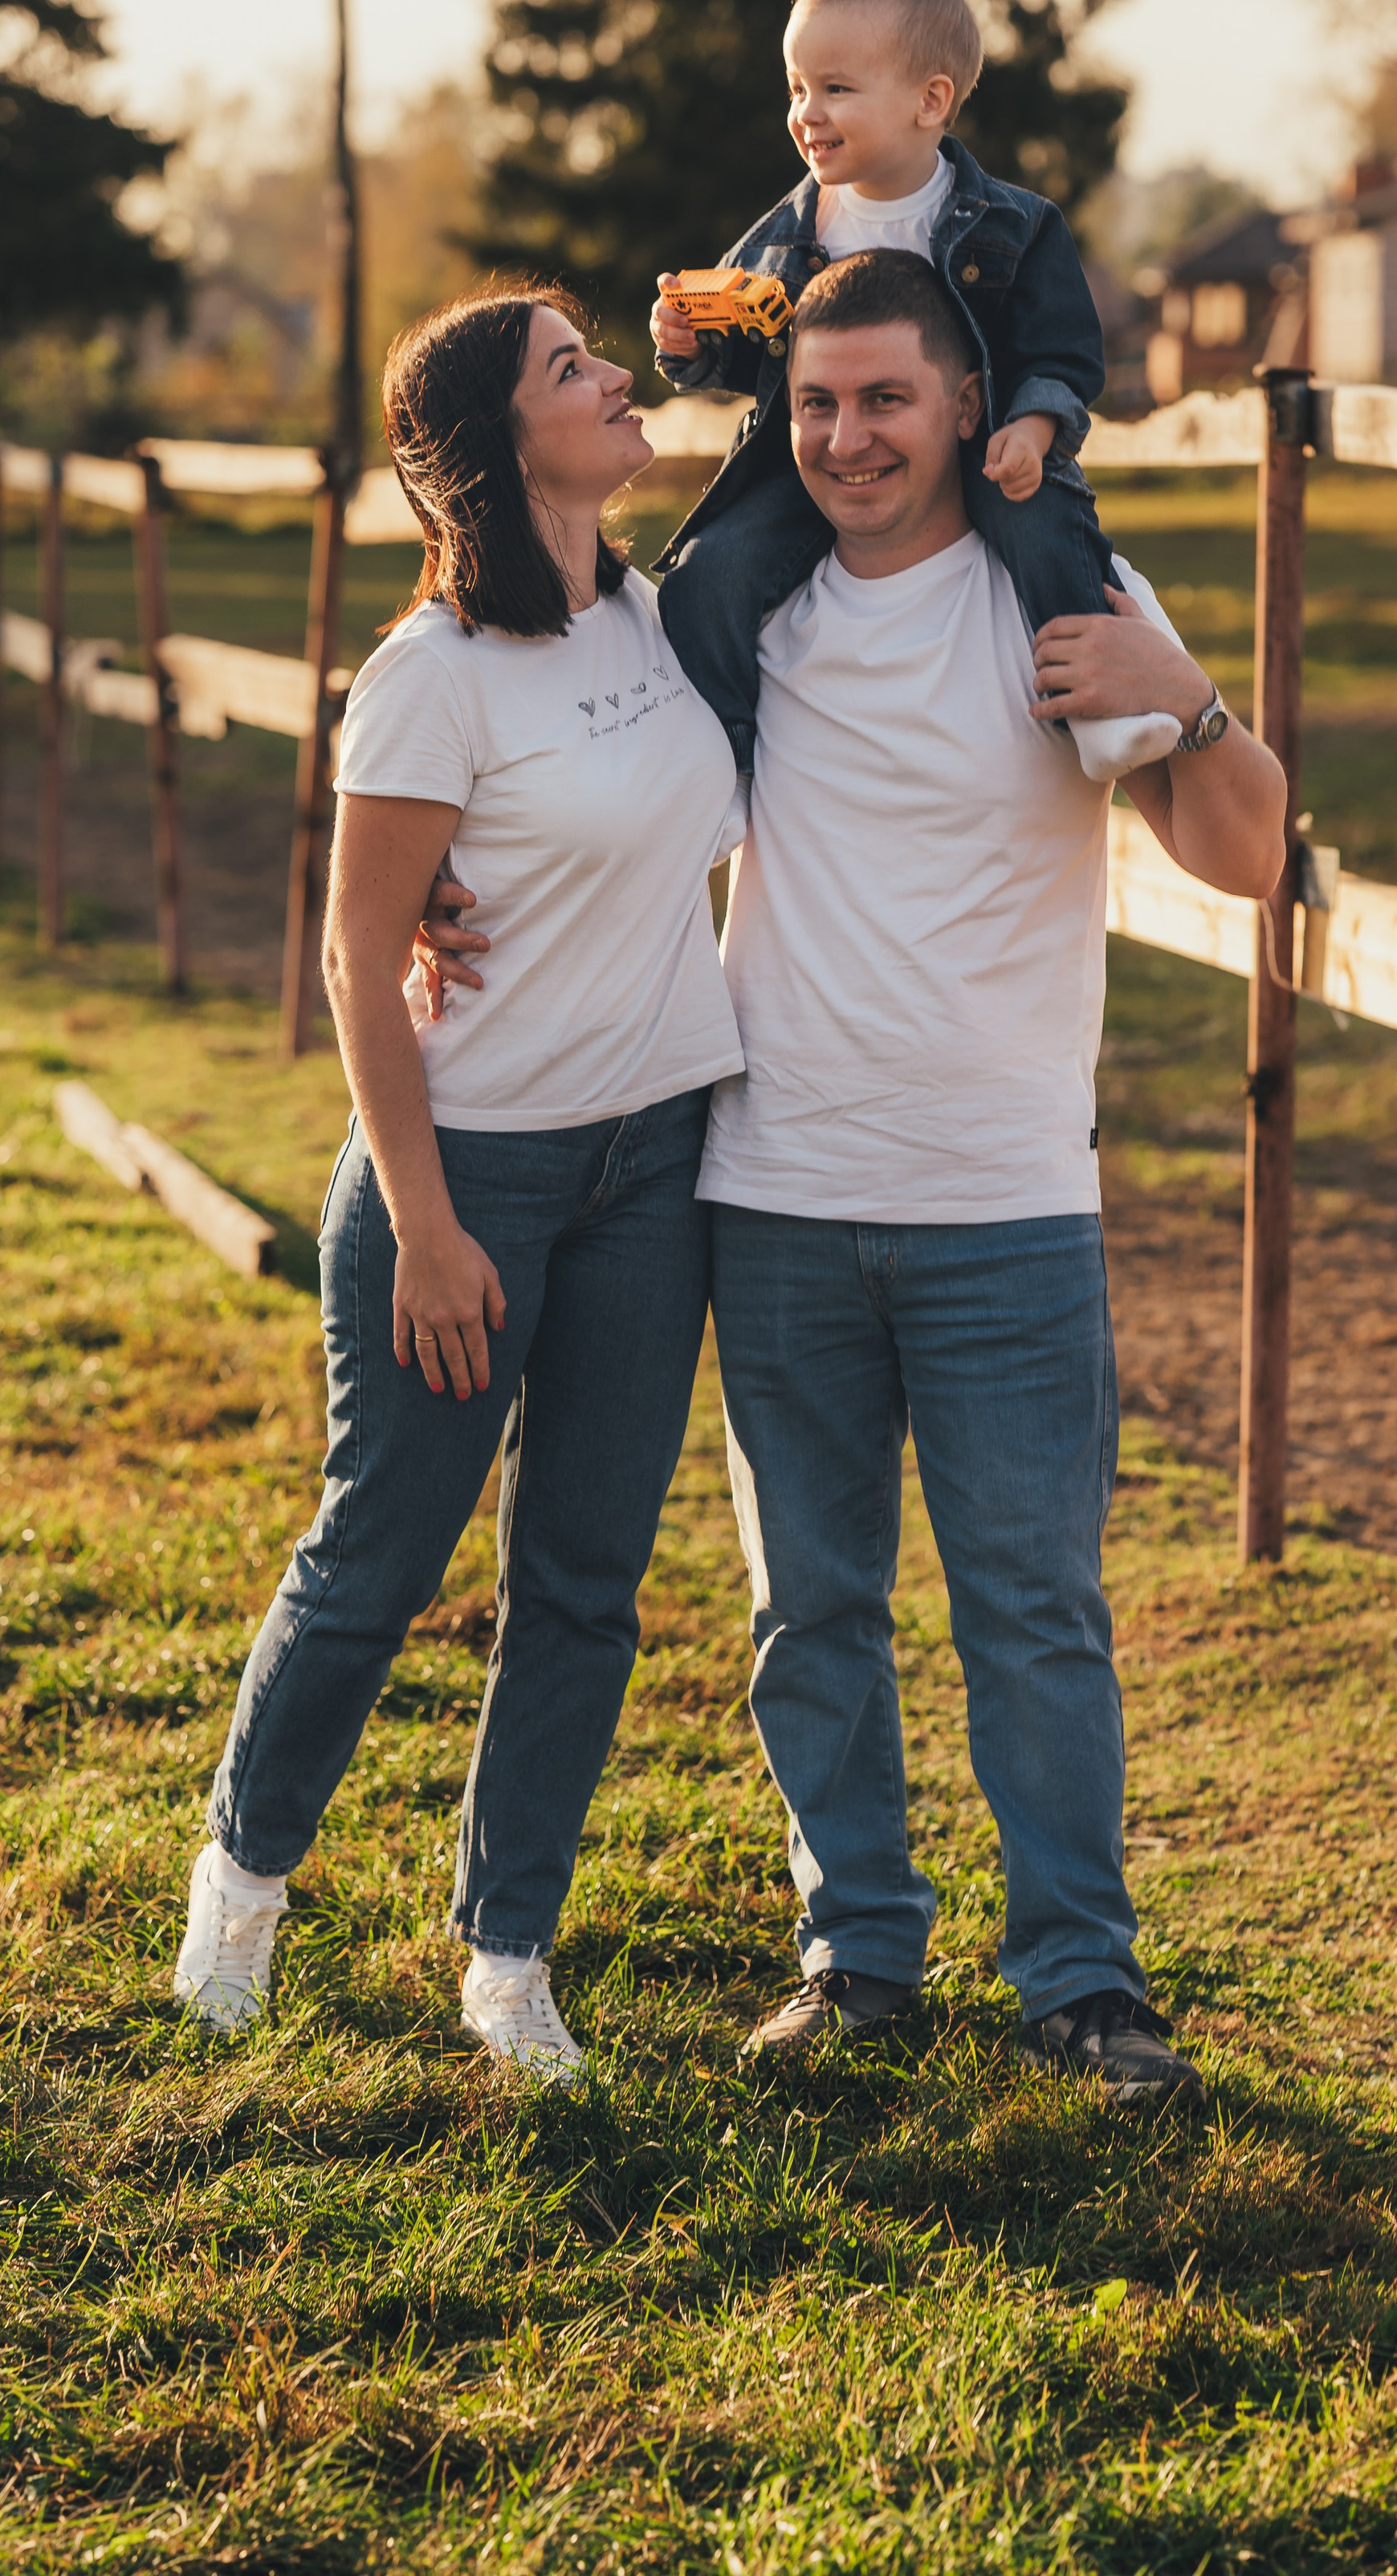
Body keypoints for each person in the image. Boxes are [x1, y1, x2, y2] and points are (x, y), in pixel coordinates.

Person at [428, 249, 1285, 2107]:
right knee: (809, 1611)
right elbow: (542, 743)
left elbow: (1241, 855)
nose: (846, 436)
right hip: (776, 1191)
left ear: (967, 405)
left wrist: (1192, 697)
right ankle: (857, 1957)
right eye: (815, 404)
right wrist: (427, 883)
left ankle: (1079, 1979)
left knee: (1029, 1612)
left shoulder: (1069, 602)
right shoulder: (729, 617)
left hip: (1003, 1204)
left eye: (885, 398)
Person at [172, 279, 745, 2082]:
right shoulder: (427, 678)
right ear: (505, 447)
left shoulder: (657, 616)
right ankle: (240, 1891)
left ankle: (507, 1954)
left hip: (657, 1163)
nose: (611, 382)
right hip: (468, 1181)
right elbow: (359, 958)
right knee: (378, 1558)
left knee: (583, 1577)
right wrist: (421, 1224)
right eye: (571, 368)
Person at [648, 0, 1179, 789]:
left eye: (834, 89)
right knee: (709, 574)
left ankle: (1103, 708)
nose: (805, 114)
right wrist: (689, 343)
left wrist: (1032, 431)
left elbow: (1062, 351)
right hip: (820, 452)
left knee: (1049, 536)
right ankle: (722, 770)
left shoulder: (1013, 226)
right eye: (795, 88)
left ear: (930, 100)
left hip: (989, 443)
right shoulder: (789, 233)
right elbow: (750, 345)